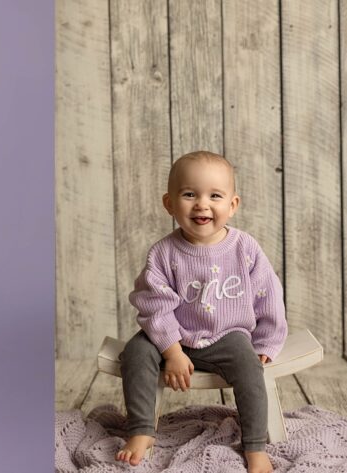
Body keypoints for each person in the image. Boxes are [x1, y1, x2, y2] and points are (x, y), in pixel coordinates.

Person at [115, 151, 285, 473]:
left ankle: (254, 446)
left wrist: (266, 342)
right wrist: (172, 351)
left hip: (227, 335)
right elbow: (154, 303)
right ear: (169, 203)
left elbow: (268, 295)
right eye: (189, 194)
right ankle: (140, 430)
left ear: (233, 205)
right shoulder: (164, 253)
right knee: (135, 352)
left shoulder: (244, 248)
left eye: (215, 196)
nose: (202, 205)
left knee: (250, 369)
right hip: (171, 336)